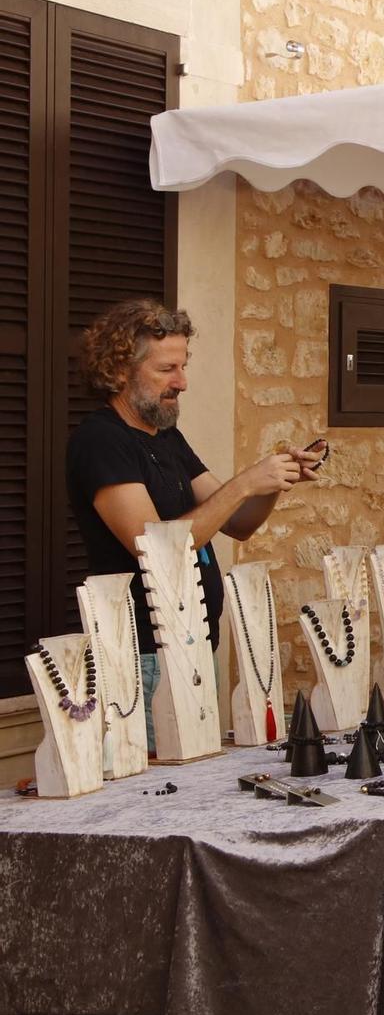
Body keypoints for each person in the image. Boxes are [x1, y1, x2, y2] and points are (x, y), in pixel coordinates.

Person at [68, 300, 320, 751]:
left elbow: (238, 523)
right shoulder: (100, 441)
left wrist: (276, 481)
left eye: (183, 367)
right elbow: (157, 549)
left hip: (196, 641)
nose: (181, 382)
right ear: (121, 369)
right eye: (167, 369)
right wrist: (245, 483)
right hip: (143, 653)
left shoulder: (166, 437)